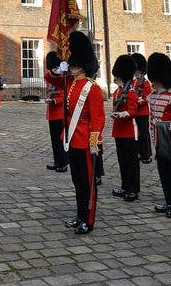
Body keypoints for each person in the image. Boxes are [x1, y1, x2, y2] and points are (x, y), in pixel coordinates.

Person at [62, 30, 105, 235]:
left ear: (82, 67)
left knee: (88, 183)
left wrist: (94, 141)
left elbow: (98, 119)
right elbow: (52, 80)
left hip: (85, 140)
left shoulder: (92, 88)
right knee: (77, 181)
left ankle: (88, 218)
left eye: (74, 65)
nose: (71, 68)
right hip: (72, 138)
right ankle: (79, 215)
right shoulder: (70, 84)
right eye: (71, 65)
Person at [147, 52, 171, 219]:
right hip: (159, 142)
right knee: (164, 175)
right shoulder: (153, 97)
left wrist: (167, 127)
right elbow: (151, 121)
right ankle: (168, 201)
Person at [109, 54, 139, 201]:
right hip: (119, 131)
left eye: (116, 76)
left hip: (128, 130)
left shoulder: (131, 92)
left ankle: (133, 189)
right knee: (122, 161)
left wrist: (123, 114)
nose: (114, 78)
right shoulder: (116, 92)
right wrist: (116, 114)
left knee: (131, 162)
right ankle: (125, 186)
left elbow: (134, 111)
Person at [44, 51, 68, 172]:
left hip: (59, 113)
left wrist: (54, 101)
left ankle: (63, 163)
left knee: (60, 140)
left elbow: (64, 95)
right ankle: (57, 161)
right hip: (52, 113)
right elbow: (49, 89)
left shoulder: (62, 78)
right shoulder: (51, 78)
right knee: (54, 141)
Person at [131, 53, 153, 164]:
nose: (136, 72)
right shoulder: (134, 82)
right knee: (138, 133)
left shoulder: (145, 82)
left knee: (144, 133)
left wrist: (140, 101)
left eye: (137, 71)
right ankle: (140, 152)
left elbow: (147, 96)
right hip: (135, 111)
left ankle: (147, 154)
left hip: (143, 111)